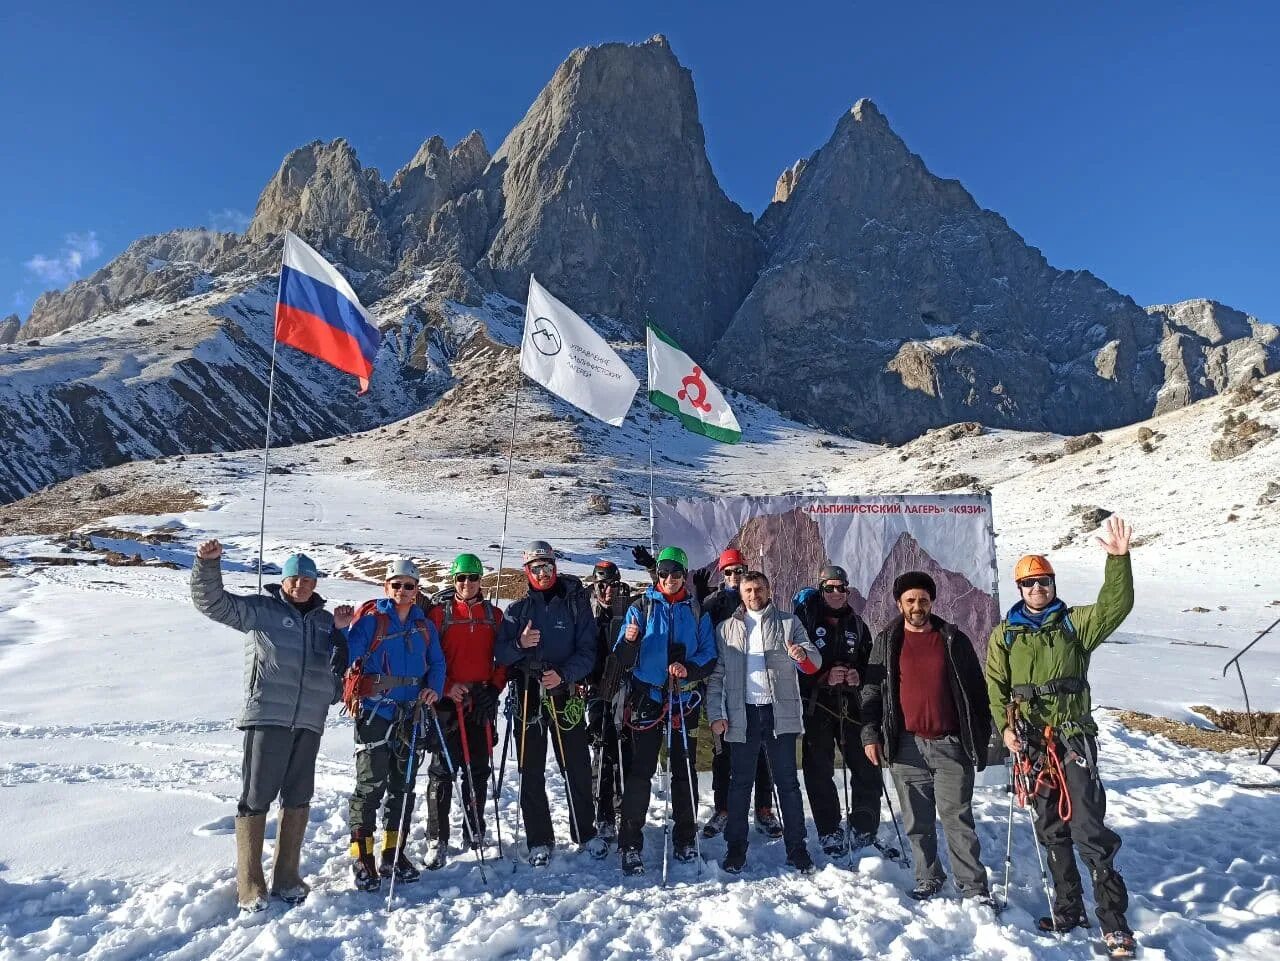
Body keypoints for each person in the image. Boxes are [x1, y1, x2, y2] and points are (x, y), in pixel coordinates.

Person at [986, 516, 1137, 960]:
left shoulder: (1074, 625)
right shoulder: (1006, 634)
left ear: (1053, 584)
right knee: (1051, 829)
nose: (1038, 590)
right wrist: (1007, 728)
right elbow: (996, 687)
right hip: (1032, 746)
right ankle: (1069, 910)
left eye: (1045, 582)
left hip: (1072, 740)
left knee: (1089, 829)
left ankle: (1114, 923)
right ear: (1020, 588)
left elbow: (1115, 606)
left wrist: (1118, 560)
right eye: (1030, 583)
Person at [191, 541, 352, 913]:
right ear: (283, 581)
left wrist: (343, 632)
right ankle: (250, 884)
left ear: (315, 582)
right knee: (256, 797)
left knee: (298, 796)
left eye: (307, 579)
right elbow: (213, 603)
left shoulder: (325, 621)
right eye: (294, 578)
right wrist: (207, 563)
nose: (300, 585)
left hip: (310, 720)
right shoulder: (261, 611)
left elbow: (337, 662)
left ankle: (288, 877)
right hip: (268, 716)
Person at [861, 571, 992, 903]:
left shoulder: (953, 639)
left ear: (932, 601)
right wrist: (870, 733)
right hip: (905, 744)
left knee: (958, 821)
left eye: (923, 599)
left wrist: (979, 734)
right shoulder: (886, 641)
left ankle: (973, 888)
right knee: (916, 821)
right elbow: (871, 691)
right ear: (898, 603)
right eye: (910, 600)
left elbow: (976, 691)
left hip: (950, 744)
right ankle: (927, 876)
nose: (917, 606)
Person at [494, 541, 607, 865]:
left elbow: (588, 651)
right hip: (528, 694)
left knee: (577, 766)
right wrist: (520, 643)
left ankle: (585, 832)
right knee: (531, 769)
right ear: (527, 571)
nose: (543, 574)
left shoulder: (574, 603)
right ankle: (538, 839)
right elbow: (500, 654)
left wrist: (563, 675)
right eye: (536, 569)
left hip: (564, 693)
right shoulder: (517, 611)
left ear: (555, 567)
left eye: (547, 567)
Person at [707, 571, 821, 875]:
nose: (753, 594)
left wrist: (801, 655)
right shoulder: (726, 629)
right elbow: (717, 676)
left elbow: (813, 661)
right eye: (748, 590)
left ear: (769, 590)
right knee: (739, 785)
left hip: (778, 714)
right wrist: (716, 714)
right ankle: (735, 851)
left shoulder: (788, 623)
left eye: (759, 589)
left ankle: (797, 849)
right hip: (742, 714)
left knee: (787, 785)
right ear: (740, 593)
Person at [613, 547, 717, 875]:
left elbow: (708, 655)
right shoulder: (641, 607)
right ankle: (630, 842)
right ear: (656, 574)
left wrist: (688, 668)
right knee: (641, 770)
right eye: (664, 573)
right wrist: (629, 642)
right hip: (648, 697)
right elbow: (621, 658)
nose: (669, 579)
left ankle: (686, 838)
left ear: (684, 575)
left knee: (683, 771)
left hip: (682, 699)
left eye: (676, 573)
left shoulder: (697, 610)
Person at [344, 559, 445, 891]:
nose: (403, 591)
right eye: (396, 585)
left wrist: (435, 687)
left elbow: (437, 663)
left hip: (411, 713)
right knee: (370, 784)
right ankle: (363, 856)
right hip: (376, 713)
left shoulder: (424, 627)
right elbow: (350, 655)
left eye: (409, 586)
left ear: (417, 591)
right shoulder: (371, 621)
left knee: (403, 786)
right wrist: (343, 630)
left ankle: (393, 852)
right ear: (386, 587)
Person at [422, 553, 505, 870]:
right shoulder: (438, 615)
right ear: (453, 580)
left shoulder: (494, 616)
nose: (466, 583)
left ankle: (475, 829)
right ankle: (436, 838)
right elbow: (427, 658)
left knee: (478, 769)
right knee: (443, 771)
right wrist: (446, 687)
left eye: (472, 577)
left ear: (480, 580)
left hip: (480, 701)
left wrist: (493, 687)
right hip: (446, 702)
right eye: (461, 578)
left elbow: (503, 659)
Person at [793, 564, 881, 858]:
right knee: (819, 770)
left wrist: (857, 674)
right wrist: (822, 676)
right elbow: (794, 668)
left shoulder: (857, 624)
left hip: (851, 704)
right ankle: (829, 829)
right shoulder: (805, 621)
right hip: (818, 705)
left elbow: (871, 666)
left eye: (840, 588)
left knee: (865, 765)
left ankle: (864, 825)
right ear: (820, 590)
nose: (835, 593)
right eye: (829, 588)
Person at [697, 549, 781, 841]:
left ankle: (763, 809)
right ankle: (723, 809)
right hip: (723, 690)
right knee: (724, 753)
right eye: (728, 571)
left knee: (761, 752)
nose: (733, 576)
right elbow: (702, 642)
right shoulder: (711, 603)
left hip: (756, 690)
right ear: (722, 574)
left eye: (738, 570)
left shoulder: (754, 600)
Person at [585, 559, 631, 844]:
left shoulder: (628, 608)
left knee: (623, 748)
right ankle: (602, 814)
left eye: (613, 585)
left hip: (624, 687)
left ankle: (621, 808)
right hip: (594, 688)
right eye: (602, 585)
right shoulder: (584, 609)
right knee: (602, 750)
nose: (608, 591)